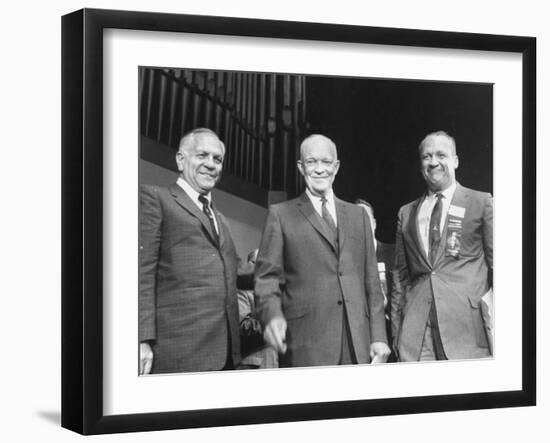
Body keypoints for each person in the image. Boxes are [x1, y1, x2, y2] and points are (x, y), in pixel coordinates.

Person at [254, 134, 390, 368]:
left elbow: (372, 284)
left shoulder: (358, 217)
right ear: (300, 166)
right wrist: (272, 316)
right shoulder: (281, 214)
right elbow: (267, 278)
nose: (319, 169)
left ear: (336, 167)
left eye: (326, 162)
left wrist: (378, 336)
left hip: (357, 343)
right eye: (311, 162)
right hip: (305, 345)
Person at [139, 128, 241, 374]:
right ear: (180, 160)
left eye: (217, 159)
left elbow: (235, 272)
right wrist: (141, 339)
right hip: (178, 352)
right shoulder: (155, 198)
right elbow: (141, 272)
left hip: (226, 354)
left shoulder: (221, 219)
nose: (211, 164)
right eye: (202, 156)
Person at [390, 130, 493, 361]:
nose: (434, 162)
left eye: (441, 155)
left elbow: (500, 268)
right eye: (427, 157)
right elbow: (399, 277)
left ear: (455, 160)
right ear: (420, 165)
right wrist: (397, 331)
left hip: (467, 333)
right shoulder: (406, 213)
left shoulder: (481, 202)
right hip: (417, 336)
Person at [237, 249, 279, 369]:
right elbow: (243, 326)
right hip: (255, 363)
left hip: (275, 361)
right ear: (249, 264)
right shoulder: (241, 291)